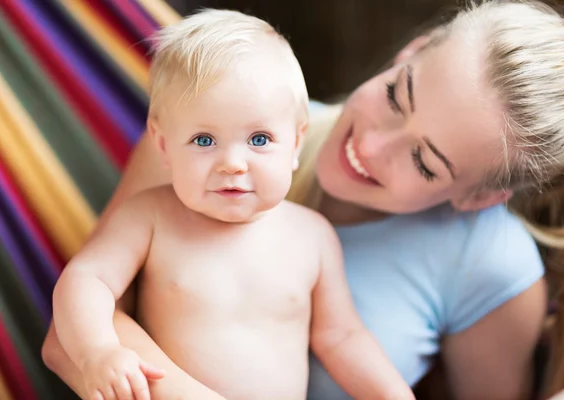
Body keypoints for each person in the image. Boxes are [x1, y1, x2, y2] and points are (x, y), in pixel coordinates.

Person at [42, 0, 564, 399]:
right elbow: (73, 331)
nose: (372, 146)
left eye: (425, 162)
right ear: (411, 51)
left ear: (480, 196)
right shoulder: (202, 134)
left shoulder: (488, 267)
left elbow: (342, 339)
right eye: (394, 96)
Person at [50, 8, 414, 400]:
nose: (233, 164)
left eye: (259, 139)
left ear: (295, 143)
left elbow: (341, 336)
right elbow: (88, 280)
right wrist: (99, 350)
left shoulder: (312, 236)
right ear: (163, 147)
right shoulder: (150, 216)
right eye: (204, 140)